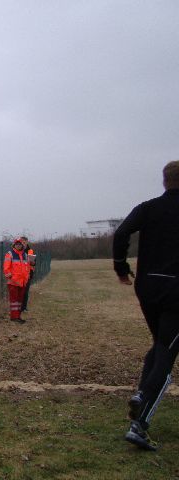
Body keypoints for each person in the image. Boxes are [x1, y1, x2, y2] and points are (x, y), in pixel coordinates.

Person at [113, 160, 179, 451]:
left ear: (164, 181)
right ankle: (140, 423)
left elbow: (121, 233)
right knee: (167, 351)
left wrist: (121, 267)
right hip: (176, 291)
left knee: (160, 344)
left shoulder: (148, 208)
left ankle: (142, 395)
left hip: (148, 287)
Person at [3, 238, 31, 324]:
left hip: (22, 282)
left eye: (20, 244)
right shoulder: (10, 254)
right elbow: (6, 268)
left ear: (22, 245)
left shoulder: (25, 255)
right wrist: (11, 277)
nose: (18, 246)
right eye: (17, 244)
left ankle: (17, 316)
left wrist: (27, 277)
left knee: (19, 300)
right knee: (14, 301)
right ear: (14, 245)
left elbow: (27, 267)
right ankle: (14, 317)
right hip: (13, 282)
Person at [20, 236, 37, 313]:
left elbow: (34, 263)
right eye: (21, 242)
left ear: (27, 242)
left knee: (25, 291)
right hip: (19, 274)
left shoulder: (30, 251)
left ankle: (24, 307)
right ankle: (18, 307)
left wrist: (33, 262)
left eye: (24, 242)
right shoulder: (17, 251)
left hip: (28, 273)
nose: (23, 244)